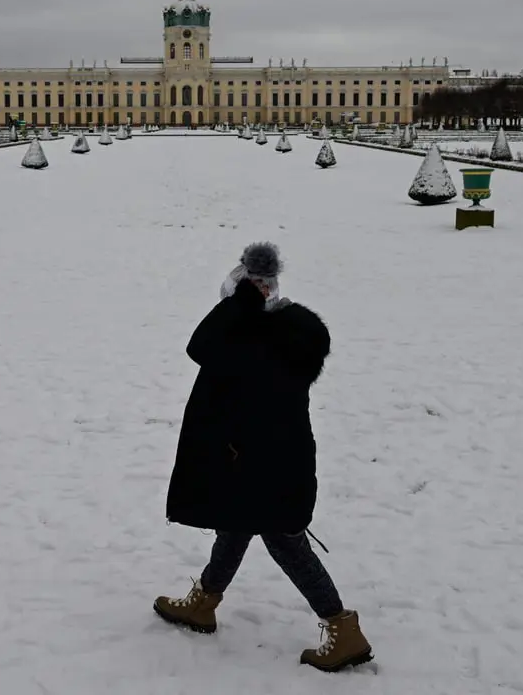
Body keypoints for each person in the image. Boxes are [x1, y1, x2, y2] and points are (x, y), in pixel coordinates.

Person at [154, 242, 372, 673]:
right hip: (263, 459)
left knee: (284, 542)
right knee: (235, 526)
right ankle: (204, 602)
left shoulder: (260, 341)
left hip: (266, 464)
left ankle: (342, 627)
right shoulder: (278, 334)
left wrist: (242, 304)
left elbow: (201, 346)